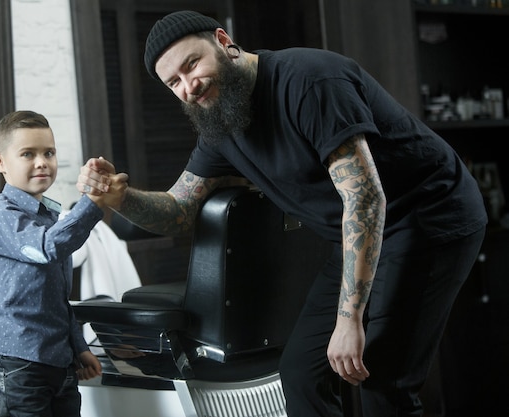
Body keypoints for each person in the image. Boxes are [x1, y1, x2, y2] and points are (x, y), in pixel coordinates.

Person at [77, 10, 488, 417]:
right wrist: (120, 197)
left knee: (382, 378)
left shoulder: (309, 81)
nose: (190, 86)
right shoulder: (221, 124)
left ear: (223, 41)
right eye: (174, 82)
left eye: (192, 64)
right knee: (301, 374)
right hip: (356, 237)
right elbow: (179, 210)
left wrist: (349, 320)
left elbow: (365, 200)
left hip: (428, 218)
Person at [0, 110, 127, 417]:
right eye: (27, 154)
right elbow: (47, 248)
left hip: (57, 359)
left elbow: (56, 299)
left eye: (49, 152)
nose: (42, 162)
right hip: (18, 364)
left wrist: (78, 346)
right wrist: (93, 202)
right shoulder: (2, 213)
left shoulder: (47, 216)